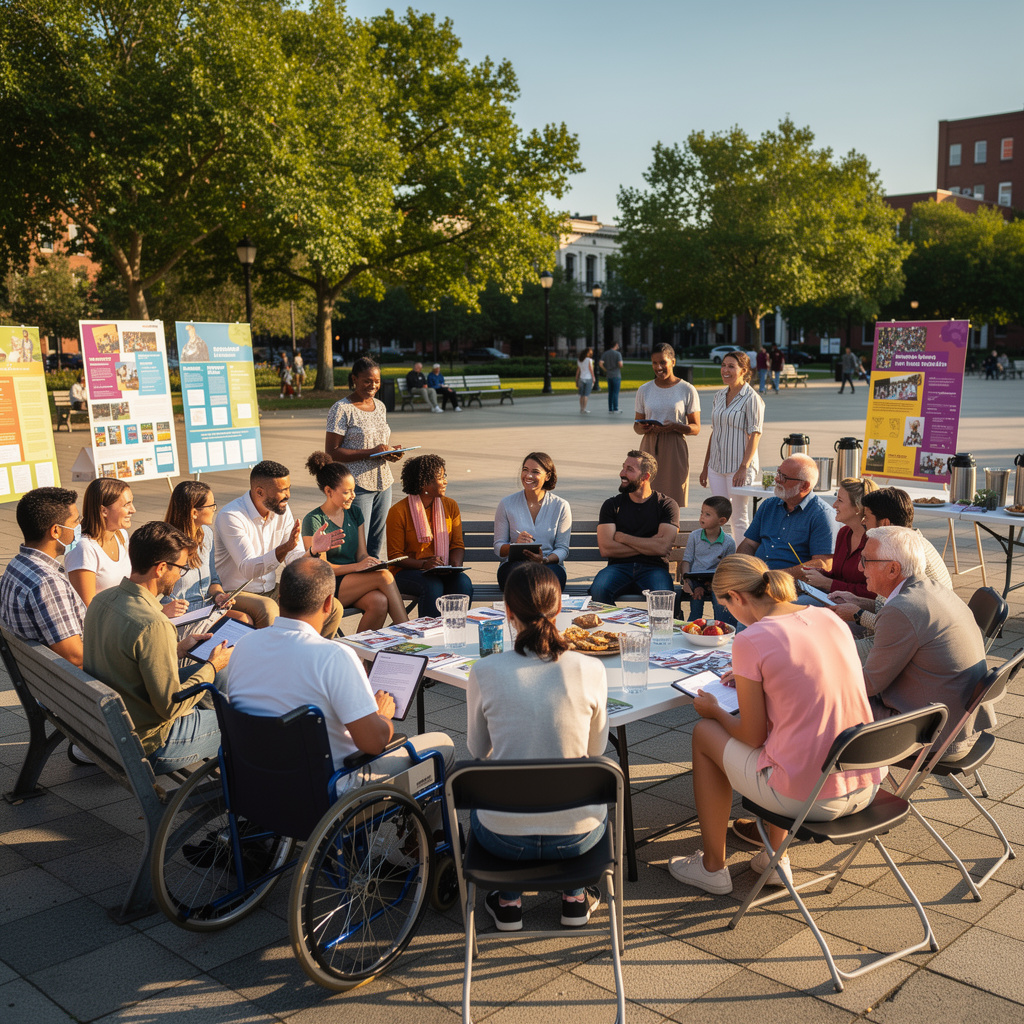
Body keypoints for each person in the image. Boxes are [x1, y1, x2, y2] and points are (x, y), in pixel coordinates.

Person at [667, 554, 884, 895]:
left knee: (704, 734)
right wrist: (754, 681)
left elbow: (752, 737)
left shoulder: (752, 638)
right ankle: (773, 857)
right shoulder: (828, 618)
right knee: (793, 732)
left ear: (736, 597)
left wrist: (714, 711)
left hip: (808, 798)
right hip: (865, 783)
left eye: (725, 606)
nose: (729, 615)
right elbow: (806, 682)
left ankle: (712, 867)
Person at [226, 557, 453, 795]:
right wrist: (382, 715)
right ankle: (428, 832)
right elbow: (374, 744)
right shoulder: (334, 656)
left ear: (280, 599)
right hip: (328, 788)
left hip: (257, 782)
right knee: (443, 747)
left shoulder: (243, 645)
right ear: (328, 604)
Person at [467, 562, 608, 930]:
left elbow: (478, 751)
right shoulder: (591, 669)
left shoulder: (485, 671)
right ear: (560, 608)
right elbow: (596, 750)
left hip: (503, 837)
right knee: (574, 785)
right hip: (578, 836)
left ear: (507, 610)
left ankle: (509, 900)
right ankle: (575, 897)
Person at [83, 522, 234, 774]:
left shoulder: (102, 600)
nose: (181, 575)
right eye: (181, 568)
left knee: (222, 676)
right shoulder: (154, 623)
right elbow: (170, 707)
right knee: (247, 719)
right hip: (150, 744)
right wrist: (211, 666)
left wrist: (178, 649)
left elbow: (126, 658)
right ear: (161, 568)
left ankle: (212, 729)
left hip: (113, 723)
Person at [858, 527, 990, 756]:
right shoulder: (933, 589)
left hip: (934, 737)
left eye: (865, 560)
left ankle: (821, 782)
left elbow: (867, 684)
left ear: (892, 569)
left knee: (821, 697)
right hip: (963, 726)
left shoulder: (902, 610)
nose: (859, 567)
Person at [213, 460, 346, 636]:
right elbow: (248, 569)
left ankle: (312, 655)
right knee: (268, 609)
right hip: (236, 593)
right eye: (282, 490)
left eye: (289, 488)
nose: (288, 495)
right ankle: (280, 661)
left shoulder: (281, 509)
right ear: (259, 492)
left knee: (332, 607)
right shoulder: (231, 516)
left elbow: (293, 558)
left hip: (271, 591)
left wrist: (313, 551)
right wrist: (284, 548)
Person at [828, 486, 952, 648]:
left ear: (884, 523)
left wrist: (857, 614)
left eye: (867, 517)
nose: (863, 522)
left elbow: (896, 625)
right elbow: (892, 610)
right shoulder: (911, 543)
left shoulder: (902, 555)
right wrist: (857, 600)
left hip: (918, 645)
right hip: (915, 637)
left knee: (828, 648)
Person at [303, 451, 410, 632]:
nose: (353, 496)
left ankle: (360, 657)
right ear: (328, 491)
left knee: (380, 602)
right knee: (384, 576)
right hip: (327, 585)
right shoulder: (313, 520)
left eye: (354, 490)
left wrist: (370, 562)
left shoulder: (354, 513)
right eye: (347, 492)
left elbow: (361, 553)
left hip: (353, 580)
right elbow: (321, 568)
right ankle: (410, 632)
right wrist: (357, 567)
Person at [325, 356, 405, 558]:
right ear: (355, 379)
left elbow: (379, 444)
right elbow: (332, 452)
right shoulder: (341, 409)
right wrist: (373, 452)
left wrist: (390, 453)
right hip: (356, 486)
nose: (373, 385)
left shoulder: (380, 406)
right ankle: (355, 584)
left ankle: (374, 582)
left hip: (383, 483)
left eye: (377, 381)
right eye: (367, 380)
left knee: (376, 544)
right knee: (358, 544)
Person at [0, 486, 85, 666]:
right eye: (76, 521)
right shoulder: (47, 582)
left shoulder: (16, 566)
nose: (80, 527)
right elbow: (74, 655)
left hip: (40, 679)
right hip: (80, 688)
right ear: (55, 531)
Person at [386, 454, 473, 617]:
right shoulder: (398, 512)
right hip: (406, 573)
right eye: (440, 478)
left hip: (441, 569)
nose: (445, 481)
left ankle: (456, 629)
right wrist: (424, 565)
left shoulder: (451, 505)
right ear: (424, 483)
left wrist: (454, 566)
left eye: (444, 476)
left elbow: (457, 545)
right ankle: (429, 634)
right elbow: (395, 557)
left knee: (463, 583)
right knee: (432, 585)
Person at [591, 450, 679, 604]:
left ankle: (661, 628)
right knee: (599, 589)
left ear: (645, 476)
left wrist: (623, 538)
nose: (622, 473)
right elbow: (607, 549)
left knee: (663, 597)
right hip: (618, 567)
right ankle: (610, 627)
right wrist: (650, 544)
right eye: (623, 468)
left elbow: (662, 548)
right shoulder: (612, 505)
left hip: (654, 569)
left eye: (629, 470)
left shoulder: (667, 505)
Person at [162, 481, 248, 627]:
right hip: (183, 616)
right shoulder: (166, 542)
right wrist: (163, 608)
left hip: (208, 609)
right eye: (211, 505)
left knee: (244, 621)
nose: (215, 509)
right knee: (238, 628)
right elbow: (154, 588)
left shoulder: (206, 534)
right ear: (194, 512)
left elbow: (213, 579)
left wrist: (219, 596)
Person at [698, 350, 764, 539]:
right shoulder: (719, 396)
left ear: (744, 370)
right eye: (723, 365)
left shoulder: (752, 398)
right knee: (717, 515)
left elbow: (755, 435)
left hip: (738, 467)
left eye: (731, 366)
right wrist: (705, 467)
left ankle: (742, 561)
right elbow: (715, 431)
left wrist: (744, 467)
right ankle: (718, 555)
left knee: (738, 516)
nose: (725, 370)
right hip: (716, 466)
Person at [736, 454, 833, 575]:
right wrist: (741, 568)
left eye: (784, 477)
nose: (777, 479)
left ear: (805, 486)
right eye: (778, 473)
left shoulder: (821, 515)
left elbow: (823, 564)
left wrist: (775, 577)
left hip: (791, 585)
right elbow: (749, 543)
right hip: (756, 578)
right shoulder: (769, 505)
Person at [634, 343, 700, 509]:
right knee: (646, 494)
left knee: (673, 497)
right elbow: (636, 425)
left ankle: (670, 532)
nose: (659, 367)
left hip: (674, 445)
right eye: (655, 363)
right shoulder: (644, 390)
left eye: (663, 362)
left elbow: (696, 427)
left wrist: (677, 426)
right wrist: (643, 428)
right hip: (649, 445)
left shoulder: (687, 389)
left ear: (673, 362)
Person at [493, 452, 572, 591]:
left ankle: (534, 612)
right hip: (514, 565)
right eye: (525, 470)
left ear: (547, 476)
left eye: (535, 472)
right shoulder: (507, 504)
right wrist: (514, 545)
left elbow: (562, 549)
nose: (528, 476)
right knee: (525, 578)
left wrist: (544, 560)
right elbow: (498, 547)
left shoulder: (560, 505)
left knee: (543, 582)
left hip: (549, 565)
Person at [797, 477, 878, 598]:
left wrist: (828, 583)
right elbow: (839, 576)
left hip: (855, 609)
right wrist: (822, 574)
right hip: (833, 599)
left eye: (840, 500)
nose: (834, 505)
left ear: (857, 507)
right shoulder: (844, 533)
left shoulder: (874, 541)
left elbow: (873, 593)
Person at [680, 497, 736, 625]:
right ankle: (693, 625)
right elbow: (686, 561)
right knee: (696, 596)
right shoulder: (694, 536)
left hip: (716, 581)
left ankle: (721, 626)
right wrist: (686, 581)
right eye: (701, 513)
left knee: (719, 598)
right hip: (694, 580)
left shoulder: (728, 542)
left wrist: (714, 585)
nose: (702, 517)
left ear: (721, 521)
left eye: (707, 514)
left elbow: (727, 570)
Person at [599, 340, 623, 414]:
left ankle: (610, 408)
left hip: (609, 375)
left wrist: (605, 370)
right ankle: (615, 408)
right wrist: (619, 365)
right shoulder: (618, 354)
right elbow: (620, 364)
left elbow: (600, 363)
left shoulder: (606, 353)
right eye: (617, 345)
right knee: (615, 392)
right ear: (615, 345)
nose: (618, 346)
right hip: (616, 374)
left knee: (610, 392)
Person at [576, 347, 595, 414]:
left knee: (581, 395)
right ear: (587, 353)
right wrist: (593, 377)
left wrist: (576, 379)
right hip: (588, 378)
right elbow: (591, 369)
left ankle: (581, 408)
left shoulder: (579, 360)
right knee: (586, 395)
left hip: (581, 378)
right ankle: (584, 409)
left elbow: (578, 371)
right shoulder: (589, 360)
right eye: (590, 353)